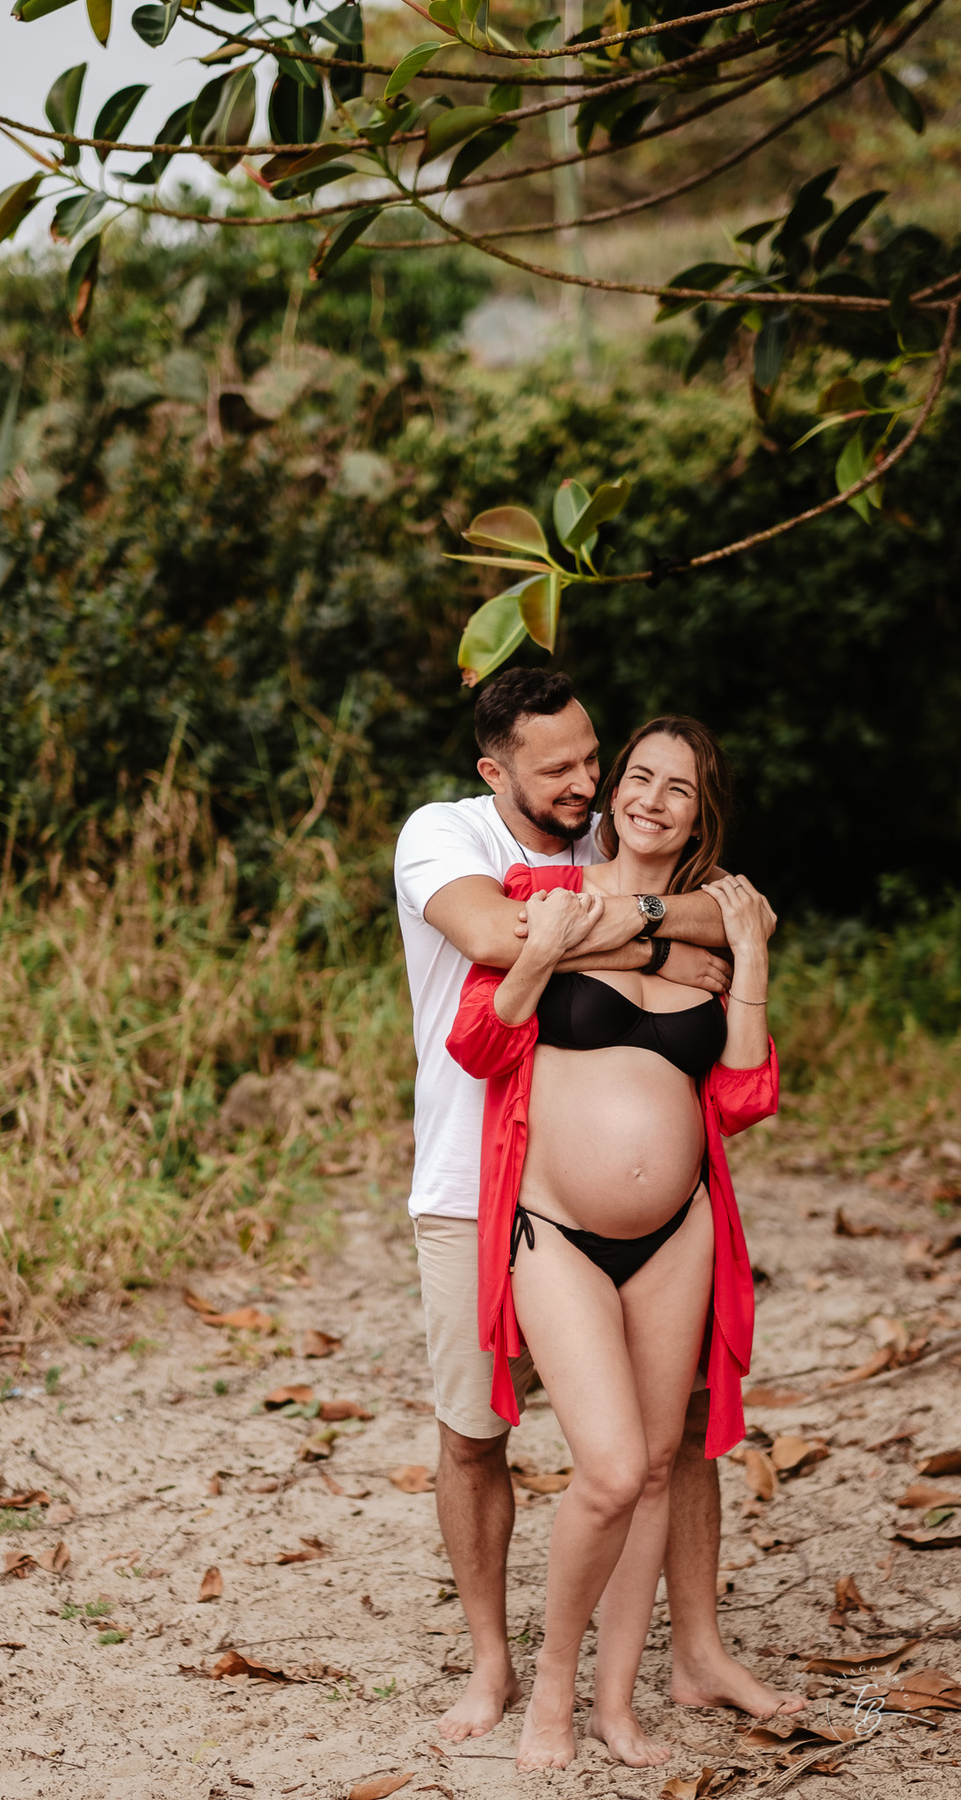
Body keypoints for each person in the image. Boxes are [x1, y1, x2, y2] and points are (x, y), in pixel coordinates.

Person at [393, 669, 804, 1742]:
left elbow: (723, 917)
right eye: (567, 768)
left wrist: (670, 933)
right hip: (473, 1183)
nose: (592, 782)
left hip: (669, 1227)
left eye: (596, 760)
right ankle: (496, 1670)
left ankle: (681, 1660)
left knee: (671, 1448)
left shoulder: (597, 853)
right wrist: (665, 940)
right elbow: (496, 946)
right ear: (498, 772)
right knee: (479, 1432)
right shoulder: (446, 836)